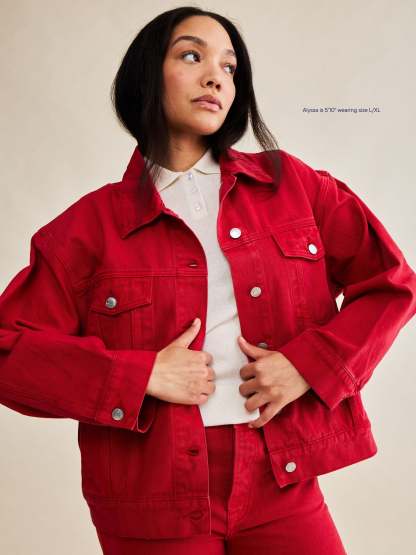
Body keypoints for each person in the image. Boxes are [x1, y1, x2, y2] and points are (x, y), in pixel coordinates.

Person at [1, 6, 415, 555]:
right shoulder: (88, 228)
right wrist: (140, 374)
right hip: (150, 494)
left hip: (278, 477)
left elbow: (391, 284)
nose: (216, 76)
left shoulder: (294, 186)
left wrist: (306, 366)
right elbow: (9, 353)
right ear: (149, 74)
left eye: (229, 66)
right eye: (192, 56)